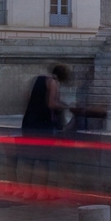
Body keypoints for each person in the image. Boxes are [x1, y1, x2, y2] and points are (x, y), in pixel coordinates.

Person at [16, 65, 68, 198]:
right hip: (43, 124)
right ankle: (42, 192)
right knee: (43, 160)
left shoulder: (37, 79)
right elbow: (51, 104)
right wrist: (63, 106)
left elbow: (27, 97)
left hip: (29, 122)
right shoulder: (53, 83)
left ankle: (27, 191)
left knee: (29, 159)